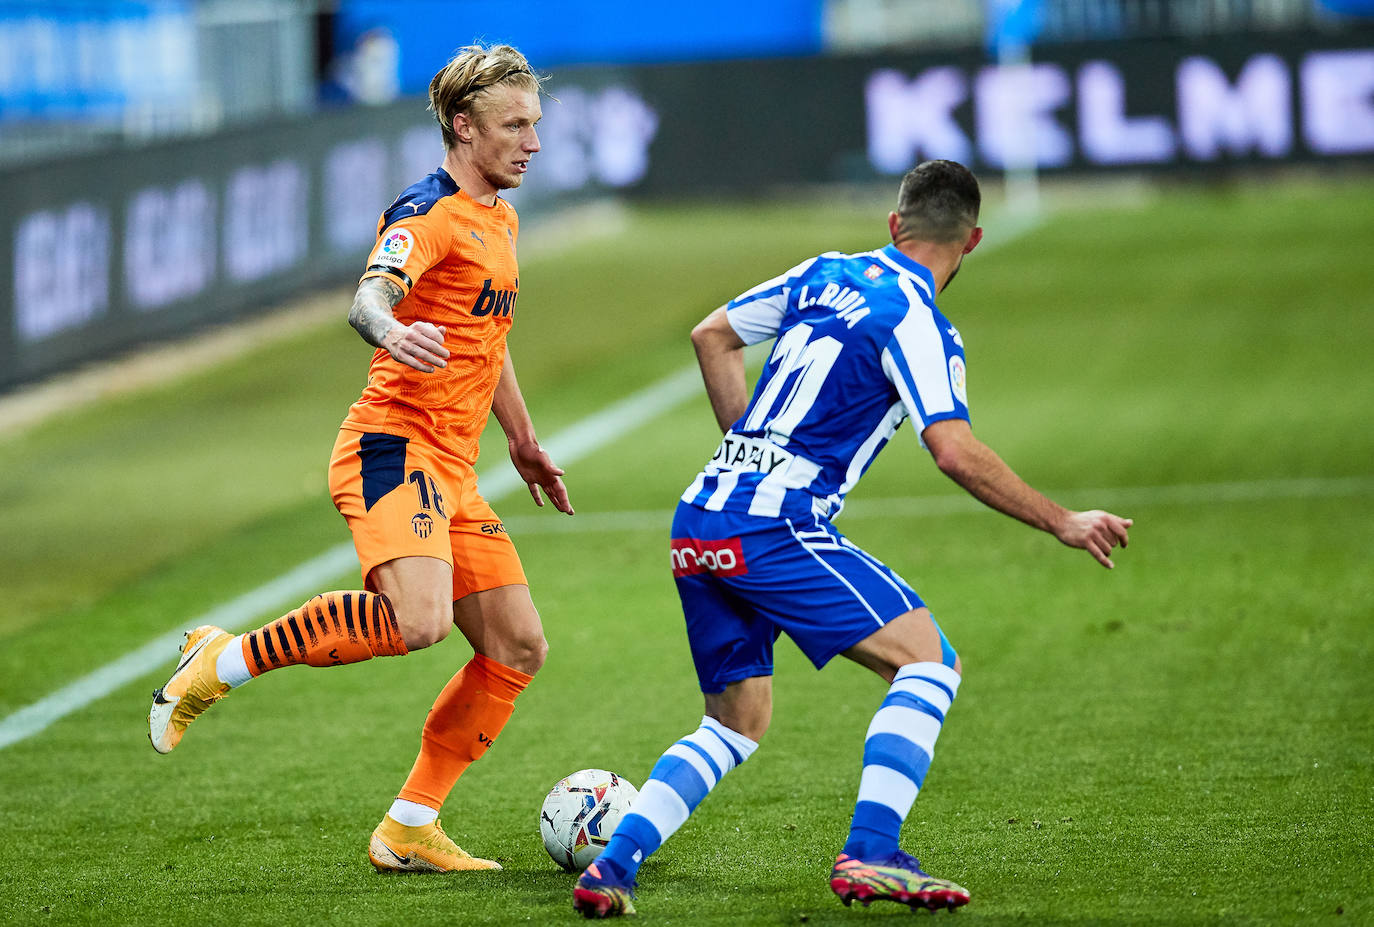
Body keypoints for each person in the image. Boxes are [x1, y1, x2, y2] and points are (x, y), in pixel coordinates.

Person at [572, 160, 1132, 917]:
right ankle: (871, 851)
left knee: (735, 720)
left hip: (700, 514)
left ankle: (613, 865)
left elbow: (713, 336)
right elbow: (953, 448)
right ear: (971, 241)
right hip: (773, 525)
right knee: (931, 661)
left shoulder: (826, 272)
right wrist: (1063, 519)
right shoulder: (922, 322)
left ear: (894, 225)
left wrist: (746, 451)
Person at [148, 43, 572, 874]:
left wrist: (521, 440)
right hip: (391, 447)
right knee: (421, 620)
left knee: (517, 646)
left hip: (453, 464)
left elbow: (490, 336)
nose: (532, 141)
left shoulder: (501, 215)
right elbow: (368, 297)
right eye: (514, 125)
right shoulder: (426, 212)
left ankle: (409, 826)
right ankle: (220, 661)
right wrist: (390, 330)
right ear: (463, 126)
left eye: (535, 124)